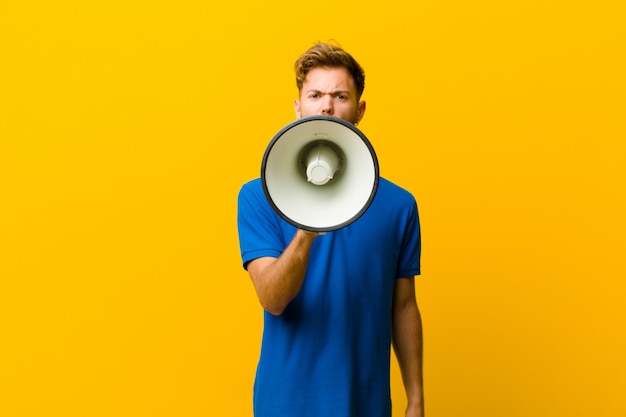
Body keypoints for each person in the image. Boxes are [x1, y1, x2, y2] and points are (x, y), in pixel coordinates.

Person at [237, 42, 424, 417]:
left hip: (366, 403)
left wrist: (415, 398)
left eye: (340, 95)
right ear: (298, 107)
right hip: (285, 404)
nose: (326, 106)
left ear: (359, 110)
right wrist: (306, 227)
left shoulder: (400, 205)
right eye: (315, 94)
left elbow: (403, 305)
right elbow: (272, 298)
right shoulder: (258, 195)